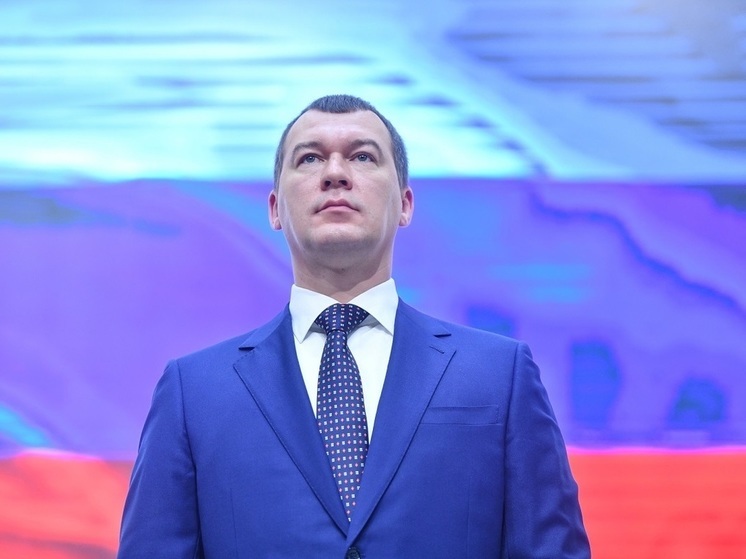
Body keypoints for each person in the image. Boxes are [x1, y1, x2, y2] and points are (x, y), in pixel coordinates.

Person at [118, 94, 590, 558]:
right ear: (275, 208)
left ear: (405, 204)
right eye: (310, 158)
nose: (335, 173)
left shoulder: (499, 374)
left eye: (363, 156)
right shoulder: (194, 392)